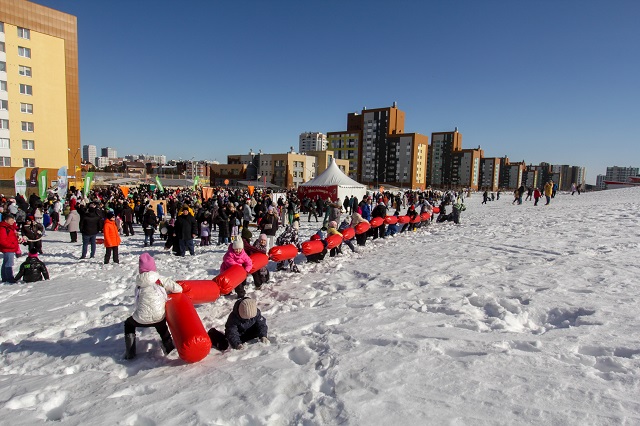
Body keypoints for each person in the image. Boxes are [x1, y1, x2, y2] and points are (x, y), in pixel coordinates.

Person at [123, 253, 183, 360]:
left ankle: (130, 352)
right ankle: (169, 348)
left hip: (140, 318)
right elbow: (178, 289)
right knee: (162, 327)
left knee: (129, 324)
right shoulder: (159, 279)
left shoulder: (139, 282)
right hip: (159, 317)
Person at [0, 214, 21, 283]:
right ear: (6, 220)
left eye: (13, 220)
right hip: (8, 248)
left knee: (6, 263)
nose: (13, 221)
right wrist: (11, 245)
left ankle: (5, 278)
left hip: (10, 248)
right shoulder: (3, 228)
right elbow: (2, 240)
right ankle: (10, 279)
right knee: (9, 264)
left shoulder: (9, 227)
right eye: (11, 220)